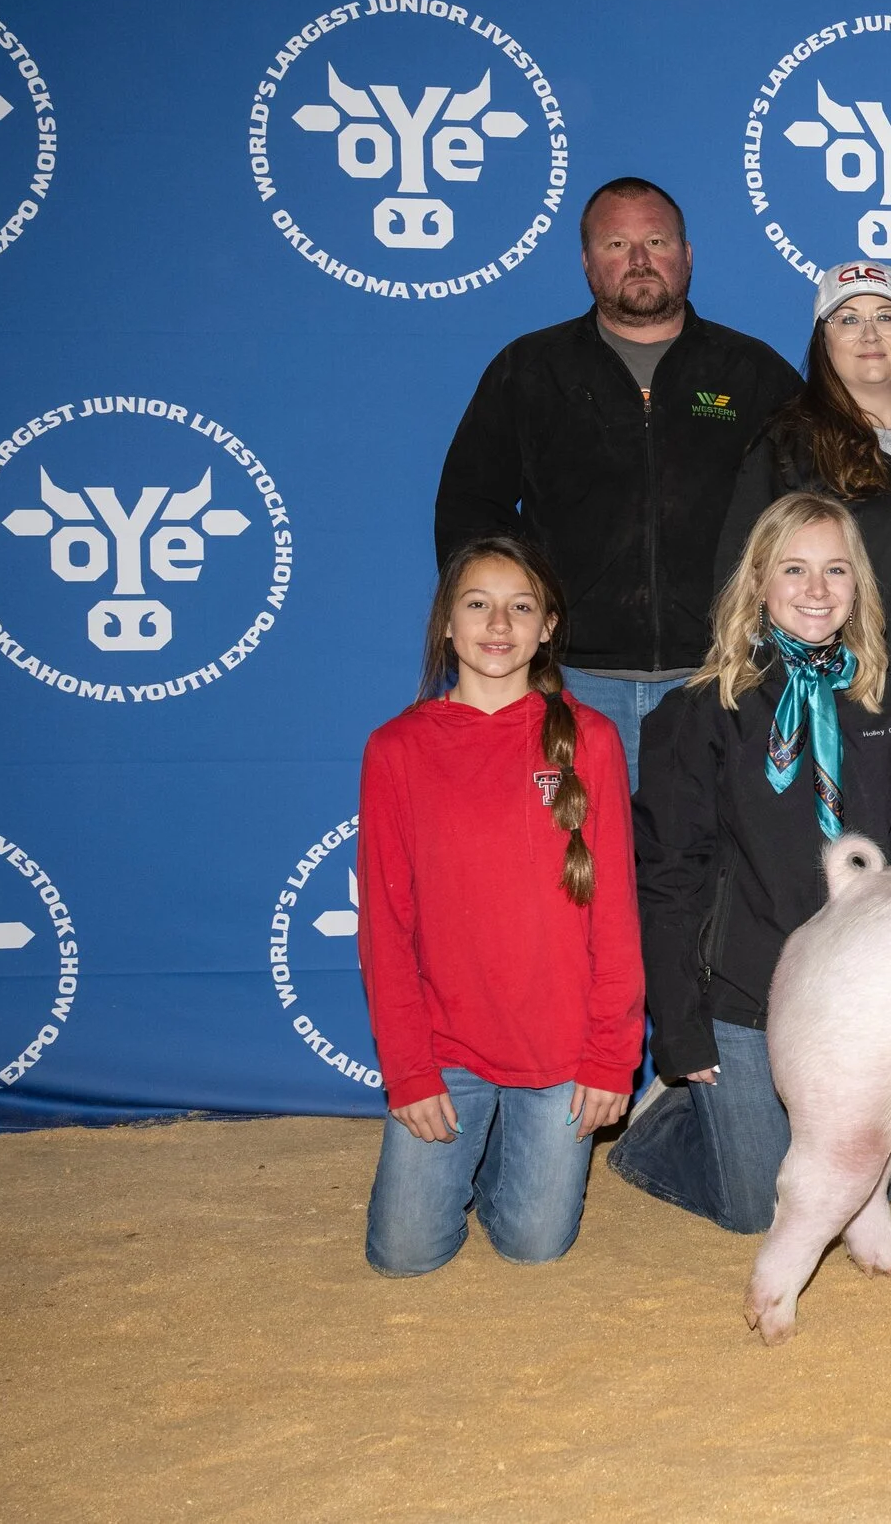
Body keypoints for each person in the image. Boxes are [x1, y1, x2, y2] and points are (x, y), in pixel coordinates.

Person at [612, 494, 891, 1233]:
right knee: (758, 1213)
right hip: (744, 997)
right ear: (758, 583)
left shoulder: (889, 706)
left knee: (857, 1200)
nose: (816, 589)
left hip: (857, 999)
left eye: (836, 569)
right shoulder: (702, 713)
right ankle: (668, 1124)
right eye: (794, 569)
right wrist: (679, 1026)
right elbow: (669, 874)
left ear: (858, 586)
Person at [435, 178, 805, 775]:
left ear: (686, 256)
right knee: (570, 867)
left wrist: (763, 642)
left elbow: (809, 520)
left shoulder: (752, 373)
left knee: (713, 870)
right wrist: (515, 642)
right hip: (568, 687)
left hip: (720, 683)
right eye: (615, 245)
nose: (638, 260)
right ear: (586, 262)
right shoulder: (530, 372)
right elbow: (469, 516)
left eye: (656, 241)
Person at [356, 537, 643, 1276]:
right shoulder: (396, 749)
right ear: (446, 625)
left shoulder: (592, 740)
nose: (498, 623)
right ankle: (472, 1146)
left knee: (533, 1244)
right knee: (404, 1255)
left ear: (547, 625)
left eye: (520, 607)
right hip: (448, 1046)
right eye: (477, 604)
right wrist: (409, 1071)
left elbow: (614, 914)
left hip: (560, 1050)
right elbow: (385, 930)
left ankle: (528, 1148)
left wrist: (611, 1058)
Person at [718, 261, 891, 725]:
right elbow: (741, 582)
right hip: (858, 711)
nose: (870, 335)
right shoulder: (790, 444)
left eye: (886, 317)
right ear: (823, 339)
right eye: (848, 319)